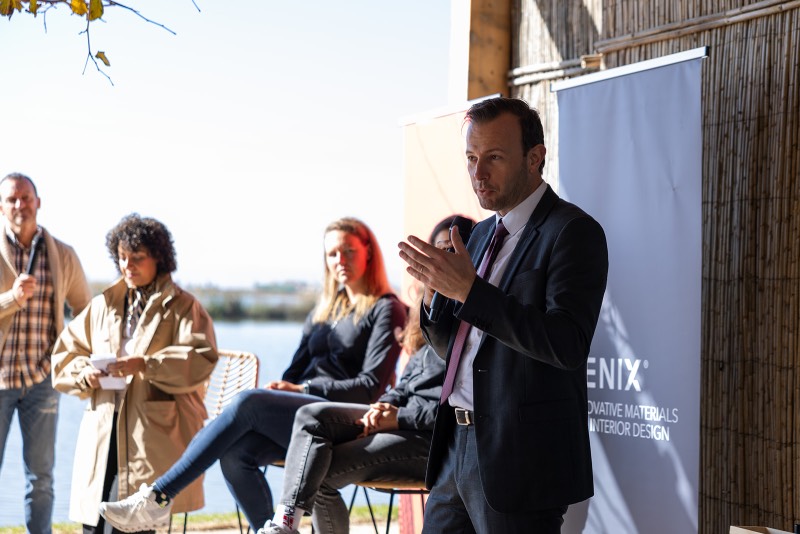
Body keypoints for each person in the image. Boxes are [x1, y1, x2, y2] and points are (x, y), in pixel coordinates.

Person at [100, 216, 407, 532]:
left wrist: (301, 390)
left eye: (348, 251)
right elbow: (295, 369)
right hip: (307, 418)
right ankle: (264, 529)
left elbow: (370, 388)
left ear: (369, 252)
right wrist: (283, 389)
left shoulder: (387, 308)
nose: (339, 260)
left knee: (248, 401)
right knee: (235, 453)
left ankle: (158, 497)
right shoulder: (326, 308)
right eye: (332, 254)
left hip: (347, 420)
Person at [398, 97, 609, 533]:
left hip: (520, 459)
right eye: (472, 158)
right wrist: (435, 296)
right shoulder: (476, 236)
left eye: (493, 157)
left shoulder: (573, 232)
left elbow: (565, 343)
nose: (478, 173)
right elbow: (452, 350)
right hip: (454, 447)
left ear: (535, 158)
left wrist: (470, 292)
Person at [261, 215, 471, 534]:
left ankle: (283, 525)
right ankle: (284, 524)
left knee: (320, 475)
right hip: (400, 426)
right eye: (438, 250)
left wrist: (399, 417)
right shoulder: (428, 314)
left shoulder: (477, 322)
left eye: (453, 251)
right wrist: (382, 407)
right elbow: (408, 383)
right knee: (310, 418)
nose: (444, 260)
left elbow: (463, 406)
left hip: (435, 441)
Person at [50, 213, 219, 534]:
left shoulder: (184, 306)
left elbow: (200, 358)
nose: (128, 265)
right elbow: (63, 356)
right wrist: (86, 373)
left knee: (134, 525)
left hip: (152, 433)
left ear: (159, 258)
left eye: (137, 258)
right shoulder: (103, 305)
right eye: (122, 258)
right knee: (94, 524)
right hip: (103, 428)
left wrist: (145, 364)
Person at [0, 172, 91, 534]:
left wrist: (80, 360)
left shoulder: (63, 256)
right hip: (0, 379)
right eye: (12, 199)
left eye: (26, 197)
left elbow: (86, 312)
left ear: (38, 203)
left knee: (41, 478)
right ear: (1, 207)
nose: (20, 204)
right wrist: (12, 299)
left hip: (42, 380)